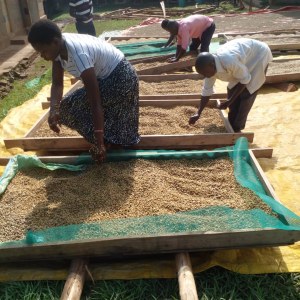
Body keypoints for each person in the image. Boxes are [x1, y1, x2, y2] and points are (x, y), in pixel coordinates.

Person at [28, 19, 140, 162]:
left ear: (55, 42)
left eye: (43, 51)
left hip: (122, 79)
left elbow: (95, 102)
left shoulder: (78, 55)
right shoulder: (59, 47)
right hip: (108, 78)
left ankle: (103, 142)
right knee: (63, 109)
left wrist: (98, 141)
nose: (42, 56)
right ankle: (108, 140)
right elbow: (57, 84)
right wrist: (53, 110)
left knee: (68, 108)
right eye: (39, 52)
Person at [189, 38, 273, 132]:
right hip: (243, 60)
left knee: (247, 92)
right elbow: (206, 91)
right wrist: (198, 113)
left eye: (205, 73)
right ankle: (231, 124)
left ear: (212, 64)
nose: (205, 76)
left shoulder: (228, 60)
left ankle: (237, 129)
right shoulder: (209, 70)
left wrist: (229, 101)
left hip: (259, 55)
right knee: (232, 89)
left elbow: (245, 79)